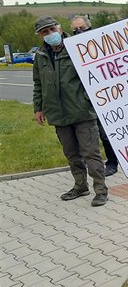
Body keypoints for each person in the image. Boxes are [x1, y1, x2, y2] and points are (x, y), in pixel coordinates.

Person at [32, 15, 108, 207]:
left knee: (91, 153)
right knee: (72, 154)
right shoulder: (40, 56)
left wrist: (89, 100)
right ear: (40, 36)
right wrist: (38, 108)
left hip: (82, 112)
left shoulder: (77, 47)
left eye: (52, 30)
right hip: (58, 115)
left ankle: (101, 190)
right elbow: (38, 84)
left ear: (59, 28)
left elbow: (96, 75)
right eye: (45, 32)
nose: (50, 34)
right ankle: (80, 186)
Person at [70, 15, 118, 176]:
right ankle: (90, 163)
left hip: (101, 97)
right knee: (86, 136)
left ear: (89, 28)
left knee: (105, 133)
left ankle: (112, 162)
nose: (78, 32)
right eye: (75, 29)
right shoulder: (69, 48)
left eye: (81, 29)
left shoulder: (98, 44)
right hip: (80, 100)